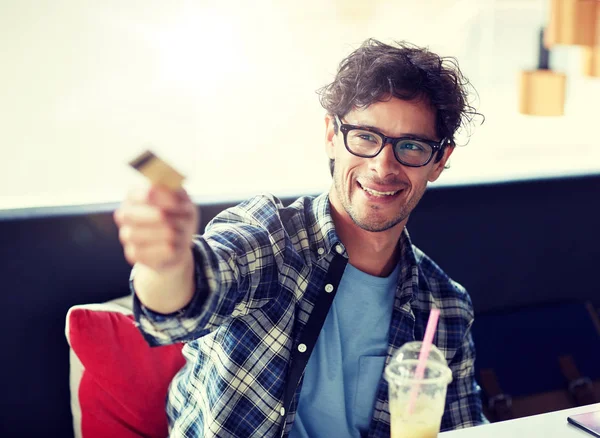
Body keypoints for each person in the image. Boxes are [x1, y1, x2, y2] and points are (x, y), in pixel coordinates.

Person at [114, 38, 486, 438]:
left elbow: (464, 431)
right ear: (331, 134)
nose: (382, 167)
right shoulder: (269, 238)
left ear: (439, 161)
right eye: (365, 136)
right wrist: (167, 264)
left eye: (411, 146)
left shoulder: (445, 307)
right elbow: (178, 306)